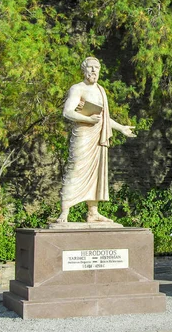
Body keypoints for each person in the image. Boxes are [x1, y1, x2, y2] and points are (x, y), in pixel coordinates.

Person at [55, 57, 136, 224]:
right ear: (84, 70)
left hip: (98, 137)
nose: (94, 71)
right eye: (90, 67)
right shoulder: (77, 89)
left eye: (96, 68)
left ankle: (93, 212)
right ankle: (64, 212)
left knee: (96, 175)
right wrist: (88, 120)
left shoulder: (101, 90)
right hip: (83, 136)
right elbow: (67, 112)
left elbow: (104, 118)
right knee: (76, 169)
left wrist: (121, 128)